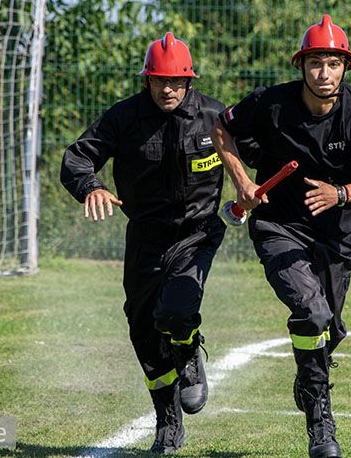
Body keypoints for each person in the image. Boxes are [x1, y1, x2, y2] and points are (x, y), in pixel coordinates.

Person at [211, 14, 351, 458]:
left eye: (333, 63)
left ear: (345, 67)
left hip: (334, 233)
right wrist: (241, 180)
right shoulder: (271, 104)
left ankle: (306, 374)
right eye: (315, 62)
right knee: (312, 312)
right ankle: (321, 425)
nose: (324, 73)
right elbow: (221, 126)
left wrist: (341, 193)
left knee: (329, 329)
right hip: (279, 227)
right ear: (302, 66)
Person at [61, 32, 227, 454]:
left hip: (198, 232)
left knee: (175, 311)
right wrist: (91, 187)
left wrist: (253, 187)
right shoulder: (124, 118)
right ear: (146, 80)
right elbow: (77, 157)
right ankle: (167, 423)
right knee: (143, 331)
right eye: (159, 81)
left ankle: (189, 351)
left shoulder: (216, 117)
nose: (168, 89)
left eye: (176, 82)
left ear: (190, 82)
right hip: (145, 237)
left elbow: (261, 151)